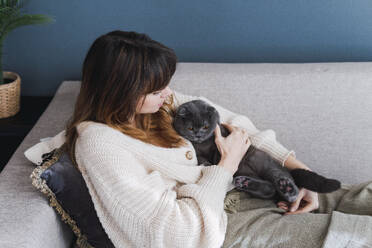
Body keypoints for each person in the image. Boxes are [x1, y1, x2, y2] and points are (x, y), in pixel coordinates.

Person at [63, 30, 372, 248]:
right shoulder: (102, 146)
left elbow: (236, 126)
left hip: (253, 187)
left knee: (363, 195)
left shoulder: (161, 107)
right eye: (157, 90)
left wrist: (301, 174)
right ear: (120, 92)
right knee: (358, 235)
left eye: (166, 85)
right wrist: (227, 165)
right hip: (220, 227)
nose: (168, 93)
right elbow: (175, 234)